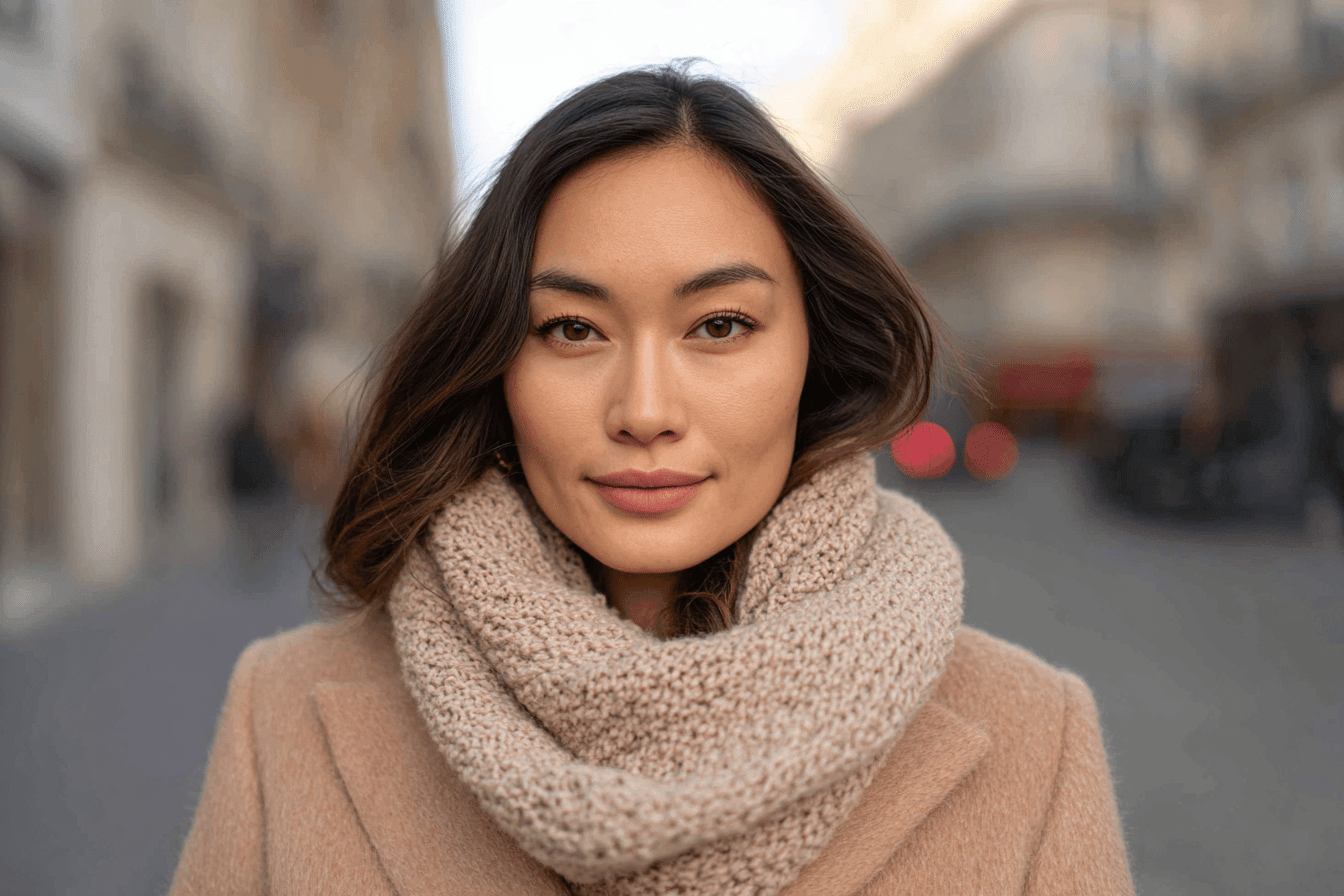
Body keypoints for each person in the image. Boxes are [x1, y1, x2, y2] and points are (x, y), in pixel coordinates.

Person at [170, 65, 1136, 895]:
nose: (643, 409)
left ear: (816, 353)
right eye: (571, 329)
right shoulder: (284, 710)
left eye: (719, 325)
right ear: (498, 364)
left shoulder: (1032, 737)